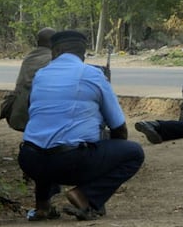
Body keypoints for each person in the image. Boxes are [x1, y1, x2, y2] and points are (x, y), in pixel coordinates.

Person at [17, 30, 144, 221]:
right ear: (83, 53)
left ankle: (42, 206)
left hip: (29, 159)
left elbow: (34, 115)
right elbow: (119, 128)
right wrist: (105, 150)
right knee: (133, 152)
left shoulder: (40, 75)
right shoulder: (92, 74)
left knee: (46, 140)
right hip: (70, 162)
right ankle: (86, 196)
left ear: (56, 51)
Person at [0, 27, 56, 131]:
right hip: (37, 113)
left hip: (19, 112)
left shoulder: (29, 58)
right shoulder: (52, 59)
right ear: (54, 42)